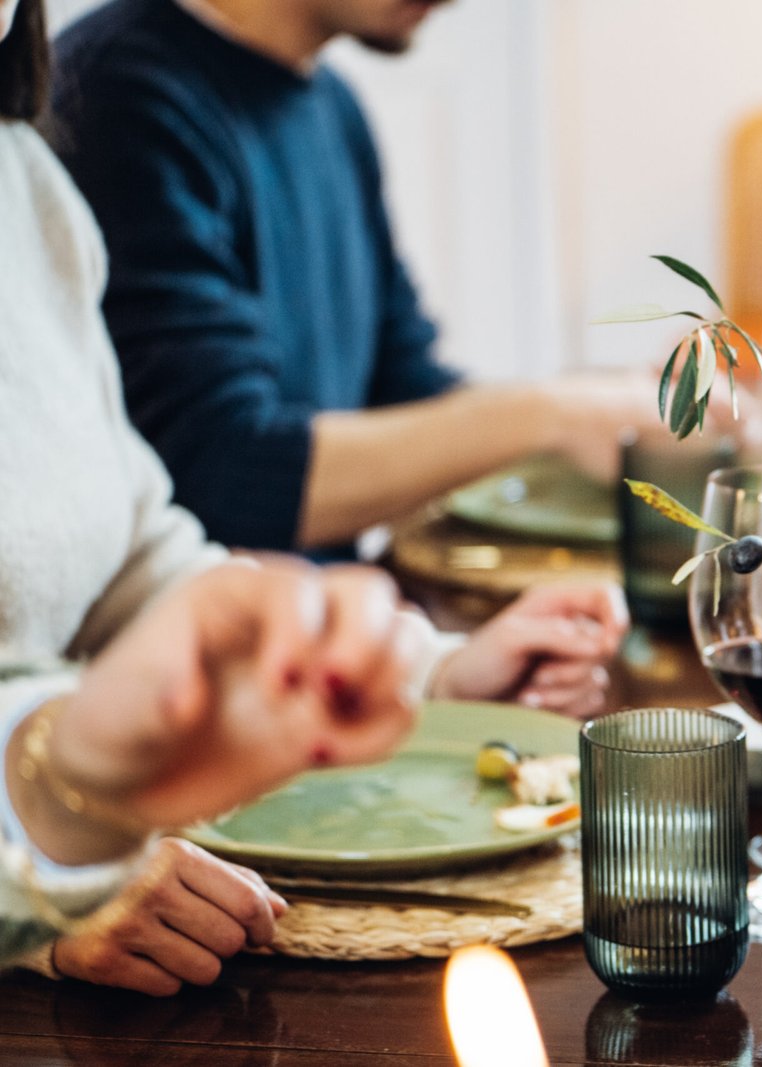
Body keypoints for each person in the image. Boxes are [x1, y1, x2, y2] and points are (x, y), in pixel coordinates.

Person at [0, 0, 625, 990]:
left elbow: (138, 551)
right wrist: (40, 870)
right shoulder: (118, 92)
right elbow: (231, 468)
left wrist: (426, 674)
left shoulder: (24, 174)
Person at [47, 0, 665, 559]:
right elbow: (223, 475)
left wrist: (614, 409)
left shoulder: (334, 107)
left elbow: (406, 392)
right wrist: (551, 415)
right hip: (222, 638)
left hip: (342, 621)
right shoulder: (116, 95)